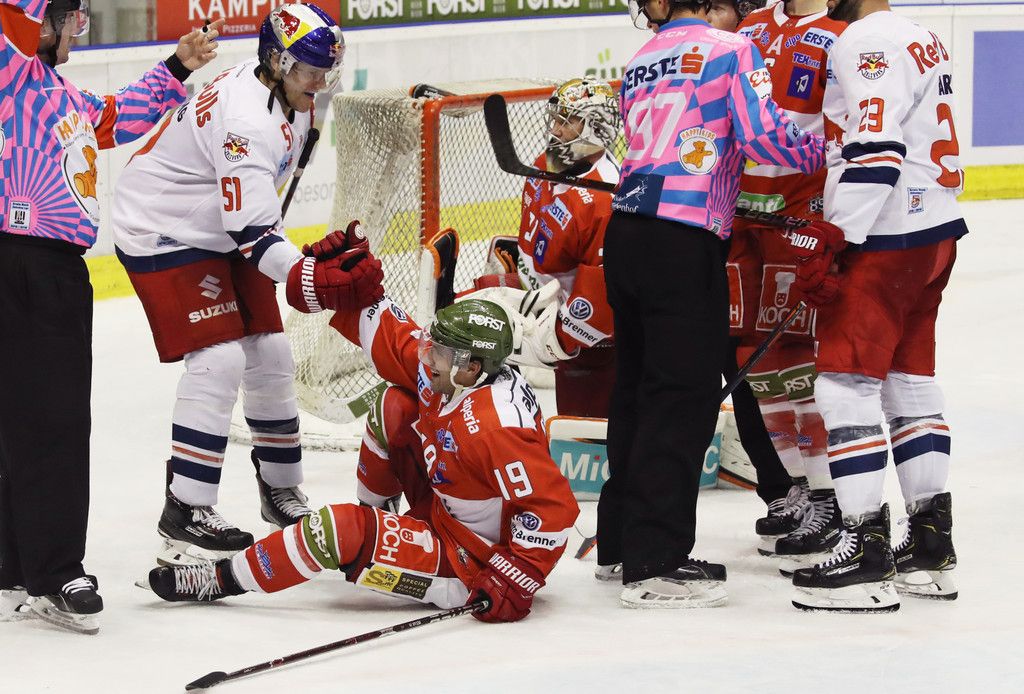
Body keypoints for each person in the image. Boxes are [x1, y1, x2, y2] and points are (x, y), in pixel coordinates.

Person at [147, 236, 580, 624]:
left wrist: (515, 576)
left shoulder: (496, 427)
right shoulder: (457, 376)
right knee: (395, 405)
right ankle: (378, 523)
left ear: (472, 366)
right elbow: (397, 338)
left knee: (334, 530)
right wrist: (361, 293)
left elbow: (554, 509)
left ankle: (220, 579)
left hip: (470, 560)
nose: (428, 356)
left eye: (441, 352)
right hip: (445, 509)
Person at [110, 3, 383, 566]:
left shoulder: (287, 95)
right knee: (219, 359)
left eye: (325, 71)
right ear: (277, 63)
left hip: (218, 226)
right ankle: (186, 507)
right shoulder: (246, 120)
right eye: (309, 71)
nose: (320, 83)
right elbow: (253, 232)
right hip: (162, 226)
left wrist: (294, 261)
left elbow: (256, 217)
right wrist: (305, 273)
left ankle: (280, 490)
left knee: (272, 352)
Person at [0, 0, 222, 635]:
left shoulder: (62, 96)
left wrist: (177, 66)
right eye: (74, 19)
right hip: (28, 267)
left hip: (47, 270)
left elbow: (120, 117)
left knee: (24, 418)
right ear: (45, 21)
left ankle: (14, 560)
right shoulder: (10, 71)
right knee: (55, 420)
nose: (81, 31)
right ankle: (55, 571)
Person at [598, 0, 825, 609]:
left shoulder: (643, 56)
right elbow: (766, 138)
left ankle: (618, 542)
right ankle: (656, 562)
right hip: (684, 240)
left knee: (635, 389)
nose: (743, 18)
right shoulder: (733, 50)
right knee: (682, 396)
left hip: (627, 234)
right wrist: (831, 151)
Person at [788, 0, 966, 612]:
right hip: (934, 229)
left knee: (845, 386)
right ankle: (930, 546)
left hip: (886, 236)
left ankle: (863, 555)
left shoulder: (864, 40)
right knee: (909, 382)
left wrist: (836, 235)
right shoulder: (920, 36)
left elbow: (877, 147)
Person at [728, 0, 846, 570]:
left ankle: (829, 498)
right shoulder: (750, 27)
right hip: (739, 214)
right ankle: (797, 488)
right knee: (752, 357)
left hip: (799, 212)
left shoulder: (840, 34)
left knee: (797, 356)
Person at [474, 77, 620, 418]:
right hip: (540, 303)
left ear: (596, 126)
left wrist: (556, 339)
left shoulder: (605, 200)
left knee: (584, 431)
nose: (555, 129)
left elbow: (600, 298)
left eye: (567, 121)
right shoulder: (546, 163)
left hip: (587, 342)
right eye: (555, 119)